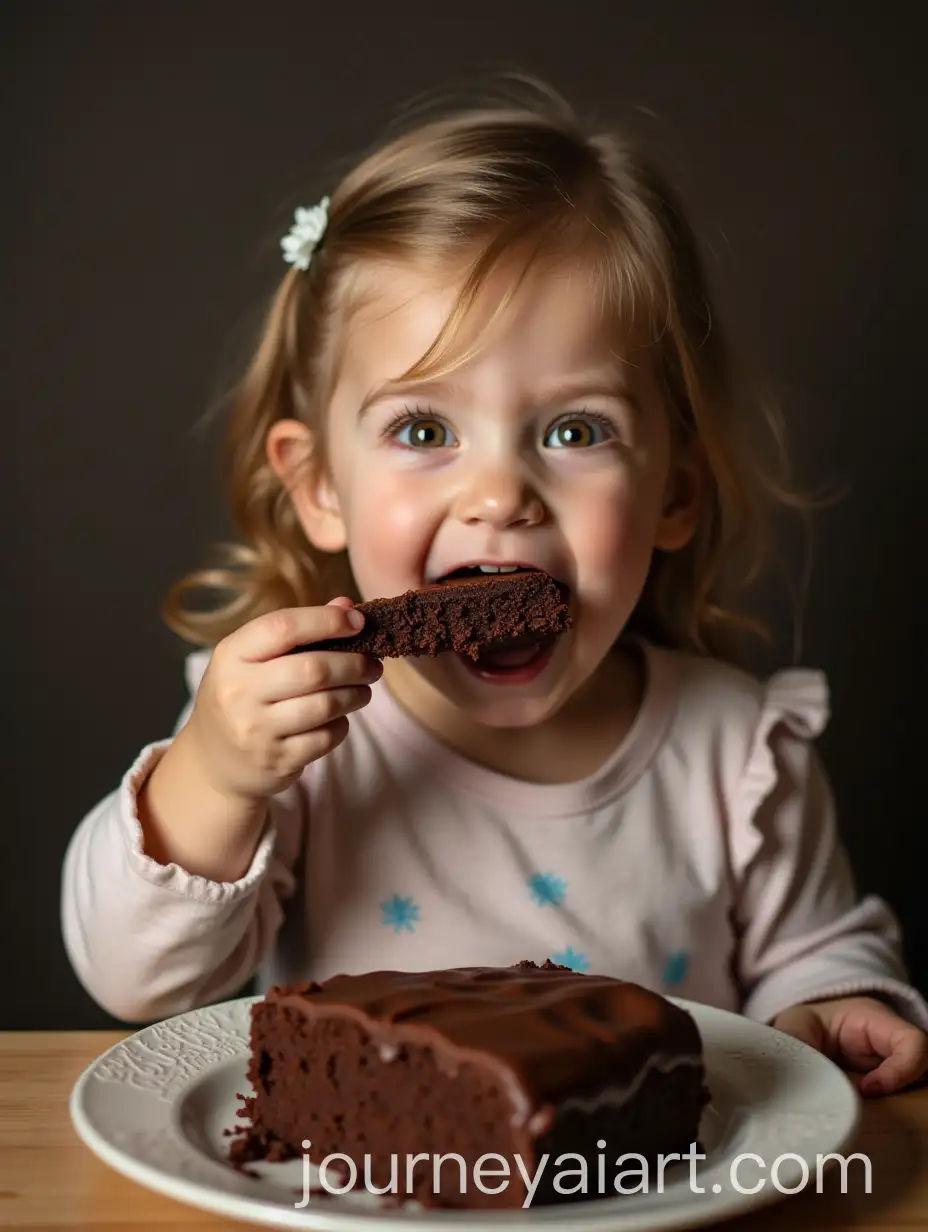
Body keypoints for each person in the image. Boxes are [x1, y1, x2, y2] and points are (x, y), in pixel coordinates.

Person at [62, 79, 927, 1096]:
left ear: (672, 495)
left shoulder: (735, 753)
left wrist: (834, 1002)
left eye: (575, 430)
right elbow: (133, 981)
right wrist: (212, 775)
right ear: (319, 486)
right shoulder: (295, 741)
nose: (500, 493)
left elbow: (816, 952)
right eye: (423, 430)